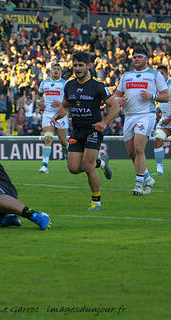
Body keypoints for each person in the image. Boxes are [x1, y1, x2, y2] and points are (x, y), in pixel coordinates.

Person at [51, 52, 120, 211]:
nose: (77, 68)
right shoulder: (69, 85)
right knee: (74, 168)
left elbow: (115, 105)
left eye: (81, 65)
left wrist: (104, 122)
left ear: (88, 66)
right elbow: (65, 105)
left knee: (87, 165)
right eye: (75, 65)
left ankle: (96, 202)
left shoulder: (98, 85)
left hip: (93, 130)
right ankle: (101, 163)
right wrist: (57, 115)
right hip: (77, 131)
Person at [114, 47, 169, 195]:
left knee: (139, 148)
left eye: (139, 57)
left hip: (146, 114)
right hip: (129, 115)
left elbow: (166, 96)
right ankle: (147, 178)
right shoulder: (126, 76)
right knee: (132, 152)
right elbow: (116, 95)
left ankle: (138, 184)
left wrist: (152, 96)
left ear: (146, 59)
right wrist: (118, 99)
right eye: (134, 57)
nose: (136, 59)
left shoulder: (154, 75)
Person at [37, 63, 68, 174]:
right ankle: (44, 166)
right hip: (48, 114)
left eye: (58, 69)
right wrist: (38, 103)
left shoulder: (65, 84)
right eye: (54, 69)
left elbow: (69, 101)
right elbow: (38, 95)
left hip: (61, 115)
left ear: (61, 72)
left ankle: (68, 155)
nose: (56, 71)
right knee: (48, 137)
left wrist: (60, 103)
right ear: (50, 71)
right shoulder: (44, 83)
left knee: (63, 141)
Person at [152, 65, 171, 176]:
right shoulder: (158, 87)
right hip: (165, 120)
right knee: (158, 139)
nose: (158, 76)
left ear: (167, 74)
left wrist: (168, 118)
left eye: (161, 74)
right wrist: (158, 110)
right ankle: (159, 169)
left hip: (168, 119)